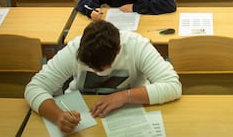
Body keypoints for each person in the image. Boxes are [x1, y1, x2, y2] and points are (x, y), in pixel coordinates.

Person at [25, 19, 182, 133]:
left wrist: (124, 96)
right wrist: (58, 116)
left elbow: (173, 86)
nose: (96, 73)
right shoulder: (74, 49)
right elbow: (35, 87)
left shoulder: (137, 46)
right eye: (91, 68)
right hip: (84, 119)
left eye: (102, 68)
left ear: (118, 50)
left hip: (129, 117)